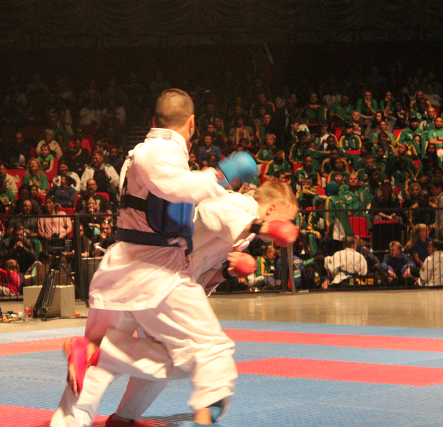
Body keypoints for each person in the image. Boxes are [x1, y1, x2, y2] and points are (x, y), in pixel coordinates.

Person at [50, 88, 259, 427]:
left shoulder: (147, 154)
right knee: (208, 351)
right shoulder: (158, 151)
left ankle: (75, 411)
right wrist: (222, 174)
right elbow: (177, 188)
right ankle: (106, 355)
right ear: (192, 123)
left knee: (98, 367)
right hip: (155, 271)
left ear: (153, 120)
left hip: (130, 269)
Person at [55, 179, 298, 427]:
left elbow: (201, 279)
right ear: (271, 209)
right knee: (195, 354)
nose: (289, 227)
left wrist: (228, 273)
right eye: (288, 219)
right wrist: (263, 226)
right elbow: (210, 210)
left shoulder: (243, 235)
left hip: (161, 284)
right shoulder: (241, 205)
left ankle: (116, 416)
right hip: (152, 276)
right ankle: (104, 357)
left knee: (151, 362)